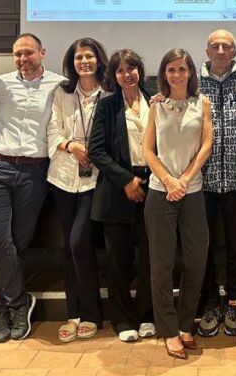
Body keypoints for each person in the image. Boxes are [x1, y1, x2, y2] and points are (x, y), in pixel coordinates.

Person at [0, 33, 65, 343]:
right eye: (17, 54)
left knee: (18, 242)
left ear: (42, 52)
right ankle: (18, 302)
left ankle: (3, 308)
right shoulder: (0, 84)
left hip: (34, 171)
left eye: (28, 52)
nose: (23, 59)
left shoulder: (59, 85)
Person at [144, 49, 214, 360]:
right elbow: (148, 150)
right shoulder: (156, 105)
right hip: (160, 193)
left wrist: (184, 179)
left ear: (191, 72)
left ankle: (186, 325)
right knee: (161, 266)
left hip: (193, 191)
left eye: (182, 69)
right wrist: (169, 181)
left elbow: (207, 144)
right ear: (164, 73)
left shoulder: (203, 103)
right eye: (171, 69)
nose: (176, 74)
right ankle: (169, 330)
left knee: (196, 261)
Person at [88, 49, 156, 343]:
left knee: (151, 257)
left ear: (140, 70)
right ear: (113, 76)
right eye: (120, 70)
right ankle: (123, 319)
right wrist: (126, 180)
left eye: (132, 68)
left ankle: (147, 315)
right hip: (117, 190)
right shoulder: (107, 105)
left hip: (153, 186)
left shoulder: (156, 100)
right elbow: (96, 151)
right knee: (118, 260)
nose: (127, 74)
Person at [47, 38, 111, 342]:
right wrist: (70, 145)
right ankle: (74, 313)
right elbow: (52, 129)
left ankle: (92, 313)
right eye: (78, 57)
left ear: (99, 59)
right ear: (71, 63)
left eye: (89, 56)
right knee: (69, 248)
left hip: (95, 179)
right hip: (62, 176)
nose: (84, 62)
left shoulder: (109, 94)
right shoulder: (62, 92)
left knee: (79, 242)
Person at [196, 30, 236, 337]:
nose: (220, 50)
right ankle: (209, 303)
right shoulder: (192, 84)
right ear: (207, 51)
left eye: (226, 46)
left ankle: (234, 302)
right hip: (200, 181)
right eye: (214, 46)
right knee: (202, 246)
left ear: (234, 52)